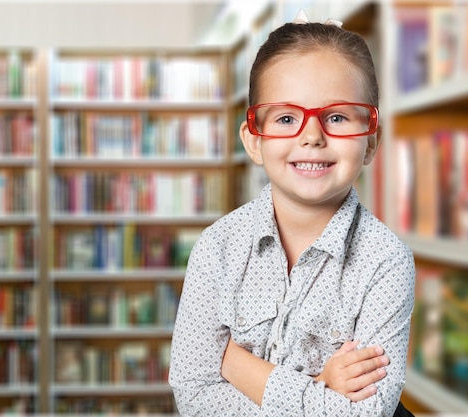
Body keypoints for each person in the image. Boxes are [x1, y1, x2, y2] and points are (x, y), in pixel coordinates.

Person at [169, 10, 415, 417]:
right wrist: (319, 387)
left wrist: (235, 364)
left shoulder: (386, 261)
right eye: (286, 118)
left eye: (337, 117)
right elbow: (194, 397)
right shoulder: (218, 248)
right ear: (254, 141)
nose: (312, 137)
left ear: (370, 143)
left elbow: (363, 413)